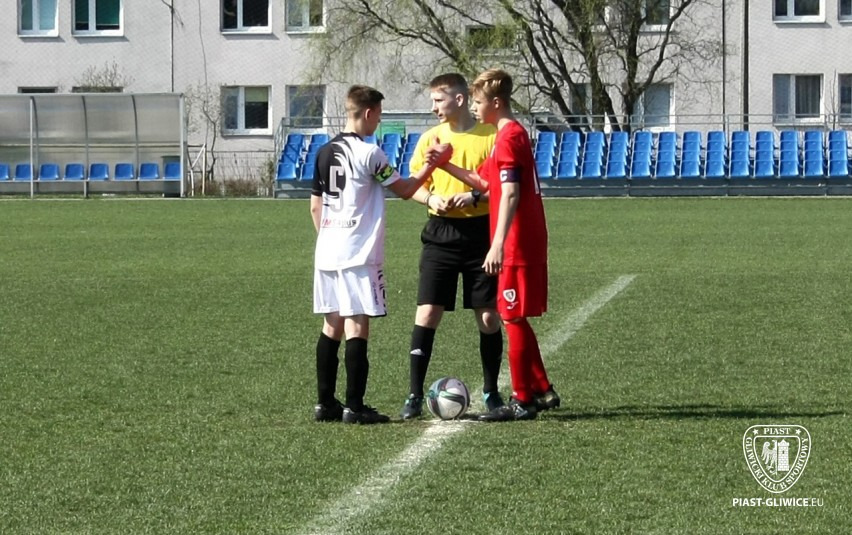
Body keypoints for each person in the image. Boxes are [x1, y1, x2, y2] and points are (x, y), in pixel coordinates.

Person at [311, 85, 453, 424]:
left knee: (332, 323)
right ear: (369, 112)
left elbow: (315, 206)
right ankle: (354, 407)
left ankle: (325, 403)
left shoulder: (324, 152)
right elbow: (404, 190)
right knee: (357, 324)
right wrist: (432, 165)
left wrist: (330, 238)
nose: (378, 121)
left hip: (327, 250)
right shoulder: (369, 153)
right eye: (379, 115)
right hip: (358, 252)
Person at [434, 69, 560, 421]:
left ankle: (523, 399)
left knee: (511, 316)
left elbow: (510, 193)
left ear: (496, 103)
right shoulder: (509, 134)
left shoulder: (509, 137)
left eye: (477, 101)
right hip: (521, 239)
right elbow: (485, 181)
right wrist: (446, 165)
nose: (474, 108)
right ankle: (542, 388)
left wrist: (498, 244)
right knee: (514, 316)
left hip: (517, 241)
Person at [399, 73, 505, 420]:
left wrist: (473, 197)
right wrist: (431, 198)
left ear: (459, 100)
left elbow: (500, 188)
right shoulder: (430, 139)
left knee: (488, 316)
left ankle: (491, 392)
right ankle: (414, 395)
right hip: (440, 234)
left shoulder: (490, 136)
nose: (433, 108)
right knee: (428, 312)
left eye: (438, 100)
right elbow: (413, 184)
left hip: (480, 235)